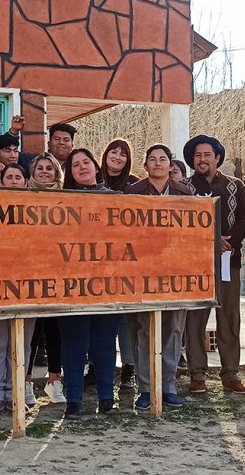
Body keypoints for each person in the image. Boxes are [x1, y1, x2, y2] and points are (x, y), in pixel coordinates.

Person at [181, 135, 245, 395]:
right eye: (197, 155)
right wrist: (210, 239)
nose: (202, 159)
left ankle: (230, 372)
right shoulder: (184, 187)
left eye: (207, 155)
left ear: (217, 158)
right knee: (195, 318)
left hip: (228, 262)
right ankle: (197, 373)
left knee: (229, 317)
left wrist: (229, 241)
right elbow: (179, 221)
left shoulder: (235, 186)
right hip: (194, 264)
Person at [123, 144, 195, 411]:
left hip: (176, 270)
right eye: (152, 159)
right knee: (143, 329)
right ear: (145, 166)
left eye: (162, 159)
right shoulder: (132, 193)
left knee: (174, 328)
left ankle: (168, 386)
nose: (157, 163)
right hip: (141, 270)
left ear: (170, 165)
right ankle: (146, 387)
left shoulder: (185, 193)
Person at [59, 148, 121, 419]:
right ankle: (73, 400)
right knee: (74, 343)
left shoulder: (116, 199)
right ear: (70, 172)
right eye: (75, 165)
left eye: (86, 162)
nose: (82, 167)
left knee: (105, 343)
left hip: (108, 282)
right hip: (70, 285)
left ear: (96, 167)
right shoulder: (59, 201)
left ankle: (107, 398)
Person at [0, 163, 38, 415]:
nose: (13, 180)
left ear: (25, 181)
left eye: (18, 177)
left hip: (29, 288)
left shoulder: (36, 209)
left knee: (21, 345)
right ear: (1, 181)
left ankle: (15, 393)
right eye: (8, 177)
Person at [26, 152, 67, 404]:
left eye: (49, 168)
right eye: (40, 168)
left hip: (57, 273)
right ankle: (26, 381)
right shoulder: (22, 197)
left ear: (56, 173)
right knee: (31, 331)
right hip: (29, 272)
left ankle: (54, 381)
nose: (44, 172)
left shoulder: (66, 199)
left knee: (55, 331)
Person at [99, 139, 140, 388]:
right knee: (100, 316)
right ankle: (98, 366)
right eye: (113, 152)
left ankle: (129, 367)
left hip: (126, 258)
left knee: (125, 317)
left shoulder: (135, 185)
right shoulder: (93, 180)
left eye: (123, 154)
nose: (117, 157)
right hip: (96, 258)